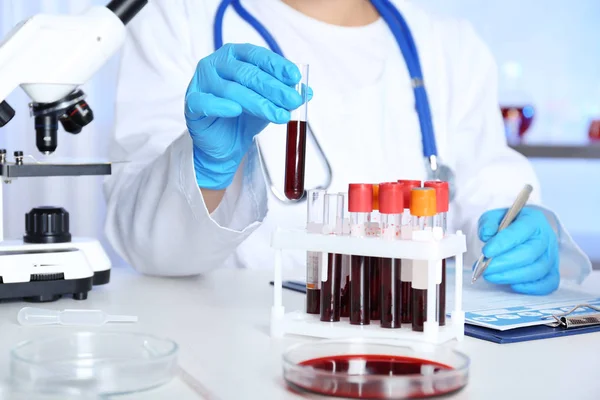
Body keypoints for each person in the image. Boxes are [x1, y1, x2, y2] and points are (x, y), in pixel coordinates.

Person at [105, 0, 590, 295]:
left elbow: (492, 192)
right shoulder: (178, 18)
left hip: (413, 358)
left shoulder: (448, 47)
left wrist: (522, 231)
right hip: (234, 352)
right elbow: (148, 246)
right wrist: (204, 169)